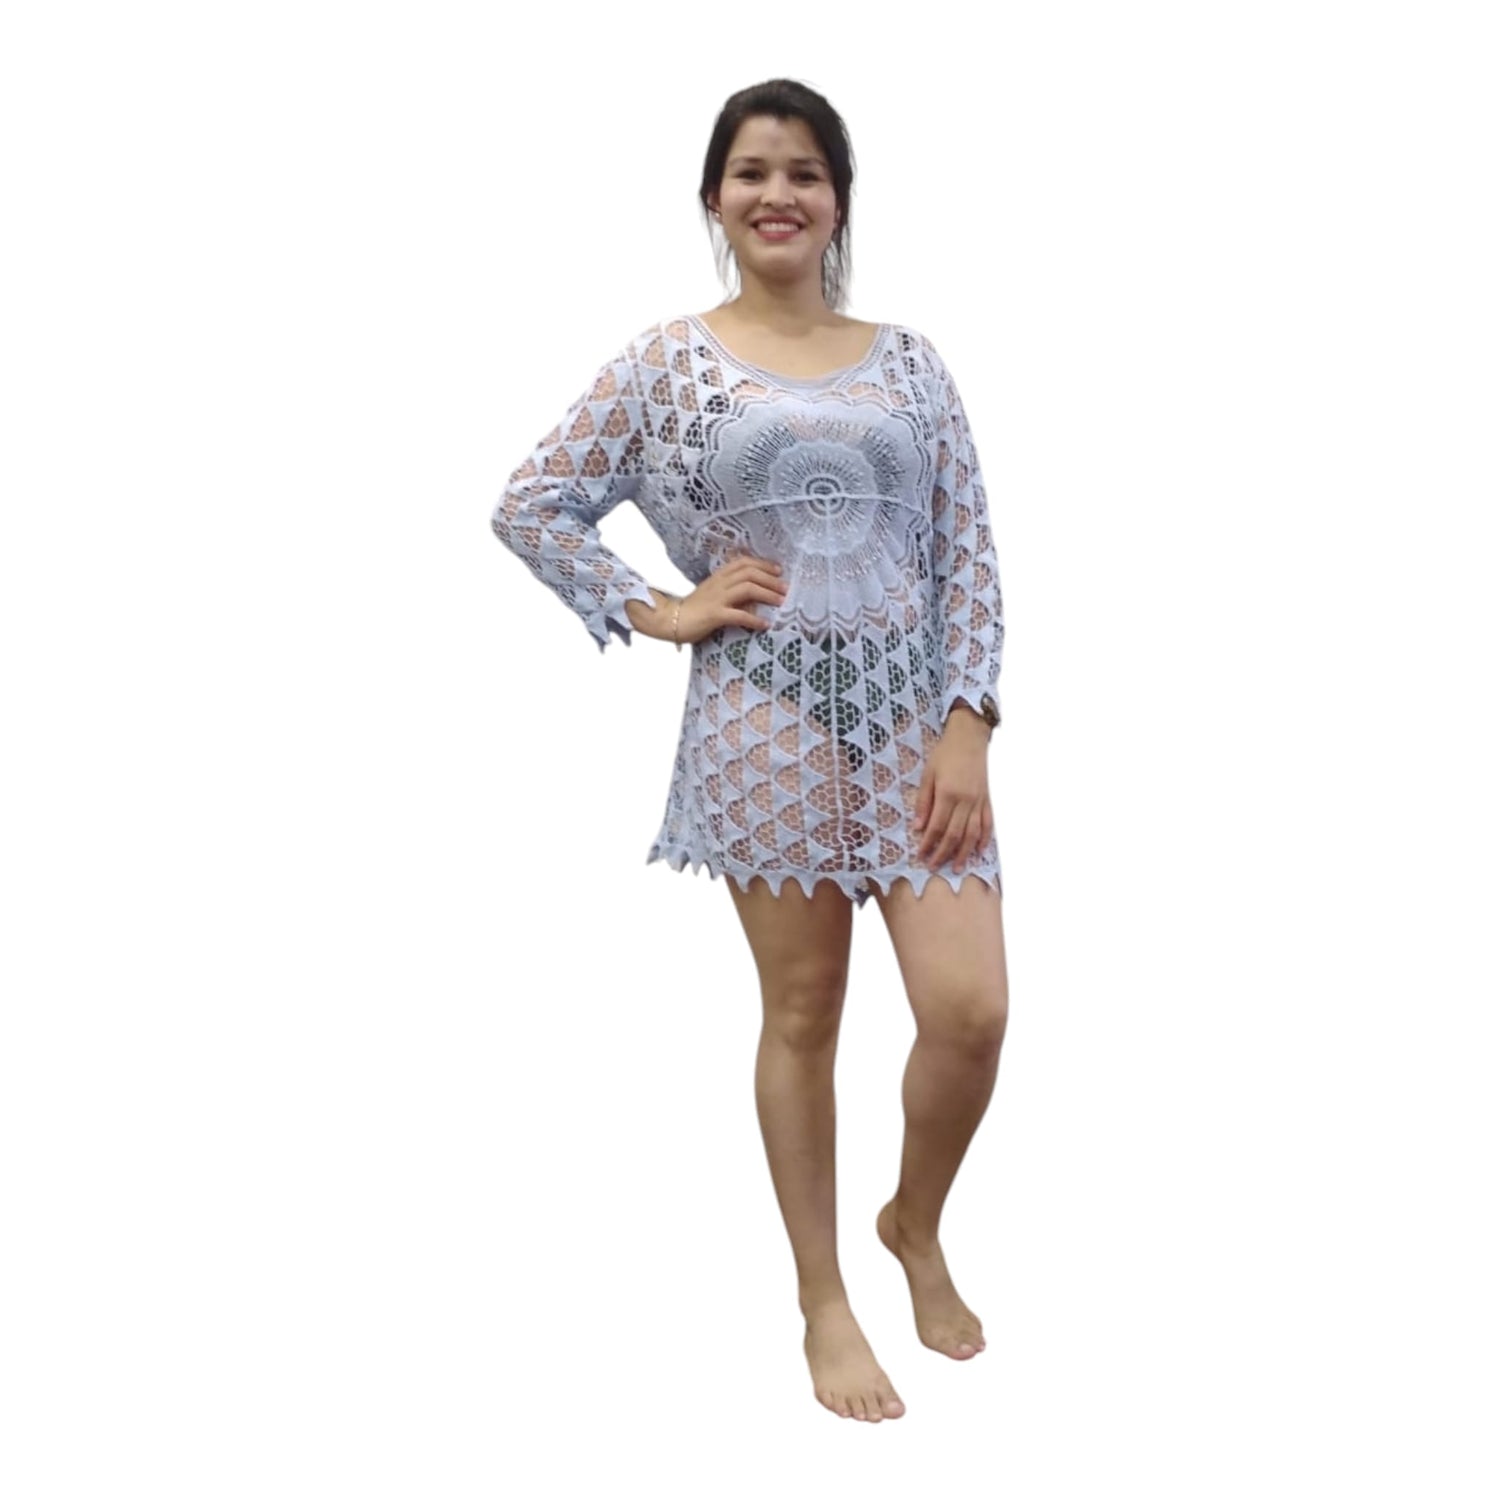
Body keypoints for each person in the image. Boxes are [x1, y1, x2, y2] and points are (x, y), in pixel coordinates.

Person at [490, 78, 1009, 1424]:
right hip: (763, 723)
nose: (779, 193)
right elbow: (535, 502)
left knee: (969, 1012)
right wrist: (661, 608)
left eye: (805, 172)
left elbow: (966, 550)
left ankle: (913, 1221)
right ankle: (823, 1297)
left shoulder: (911, 362)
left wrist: (970, 719)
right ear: (714, 199)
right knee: (803, 1013)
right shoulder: (668, 363)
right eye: (752, 172)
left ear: (839, 200)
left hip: (913, 724)